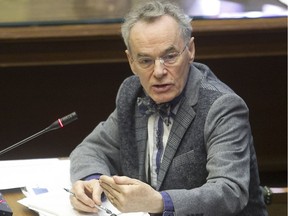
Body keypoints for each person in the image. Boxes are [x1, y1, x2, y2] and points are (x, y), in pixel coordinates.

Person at [69, 1, 268, 215]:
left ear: (190, 50)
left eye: (170, 56)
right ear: (131, 61)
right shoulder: (132, 93)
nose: (159, 71)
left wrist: (159, 201)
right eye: (145, 60)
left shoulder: (222, 106)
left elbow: (230, 192)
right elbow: (91, 149)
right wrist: (92, 182)